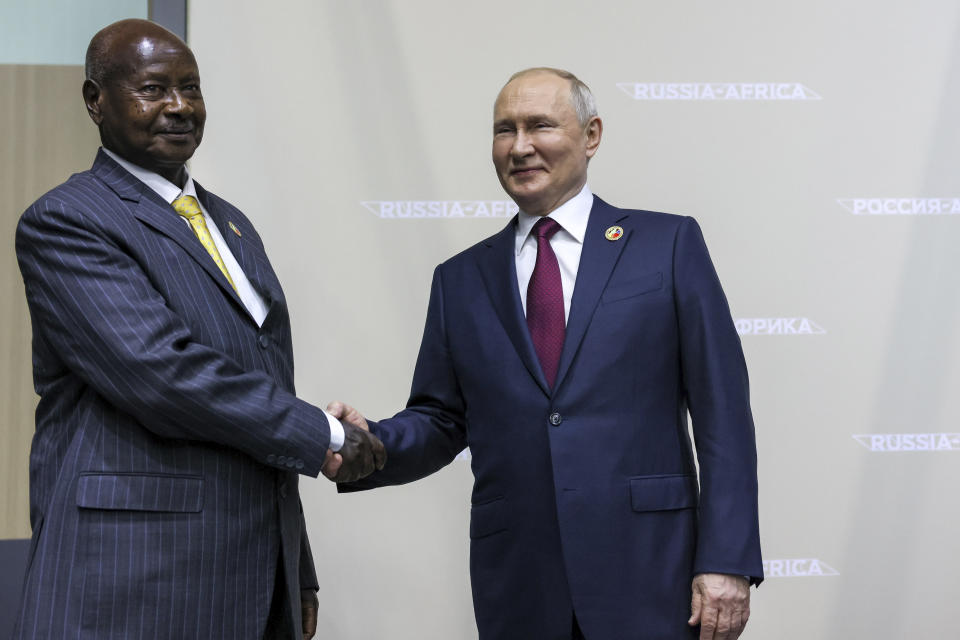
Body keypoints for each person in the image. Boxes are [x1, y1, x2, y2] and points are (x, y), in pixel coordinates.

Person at [332, 68, 762, 639]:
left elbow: (723, 416)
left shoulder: (669, 245)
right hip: (521, 584)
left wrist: (727, 560)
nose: (520, 146)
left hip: (653, 574)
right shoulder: (460, 279)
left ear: (592, 135)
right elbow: (441, 418)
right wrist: (372, 445)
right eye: (503, 130)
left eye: (539, 125)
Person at [12, 19, 384, 640]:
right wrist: (325, 433)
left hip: (251, 577)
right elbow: (162, 373)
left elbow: (256, 388)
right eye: (154, 89)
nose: (179, 107)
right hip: (133, 583)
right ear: (94, 101)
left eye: (192, 88)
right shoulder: (68, 220)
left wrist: (296, 569)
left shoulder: (229, 224)